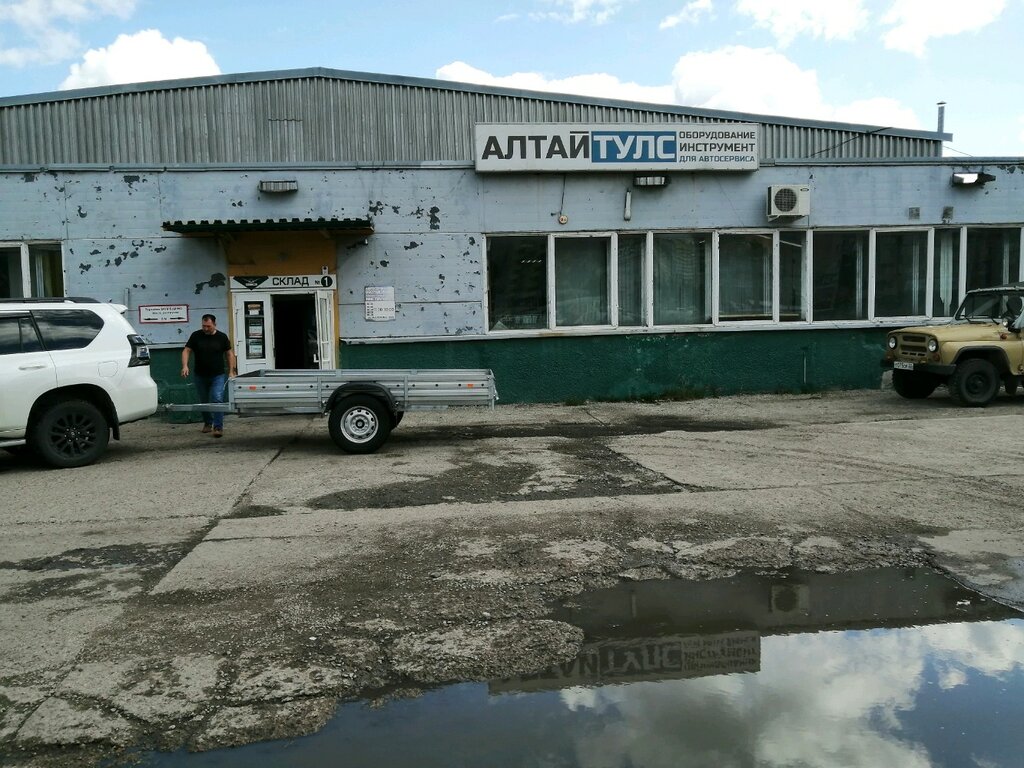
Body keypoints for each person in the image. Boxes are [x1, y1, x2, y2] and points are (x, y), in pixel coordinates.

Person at [181, 314, 236, 438]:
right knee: (203, 400)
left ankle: (218, 427)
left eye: (208, 326)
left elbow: (229, 354)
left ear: (214, 324)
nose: (205, 328)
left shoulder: (222, 337)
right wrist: (185, 366)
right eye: (204, 326)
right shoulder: (196, 335)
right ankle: (207, 422)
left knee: (217, 399)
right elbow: (186, 350)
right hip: (200, 375)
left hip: (218, 375)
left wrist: (231, 371)